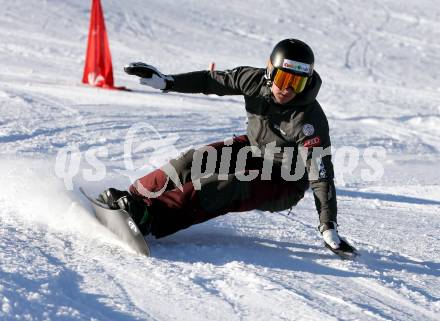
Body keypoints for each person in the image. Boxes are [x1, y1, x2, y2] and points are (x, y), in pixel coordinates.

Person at [100, 38, 355, 256]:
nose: (287, 89)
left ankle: (148, 218)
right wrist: (168, 82)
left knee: (227, 185)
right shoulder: (253, 80)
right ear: (270, 70)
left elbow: (321, 174)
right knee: (193, 161)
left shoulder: (309, 120)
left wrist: (327, 225)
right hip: (254, 149)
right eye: (283, 78)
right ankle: (133, 198)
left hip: (284, 181)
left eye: (296, 83)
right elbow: (211, 81)